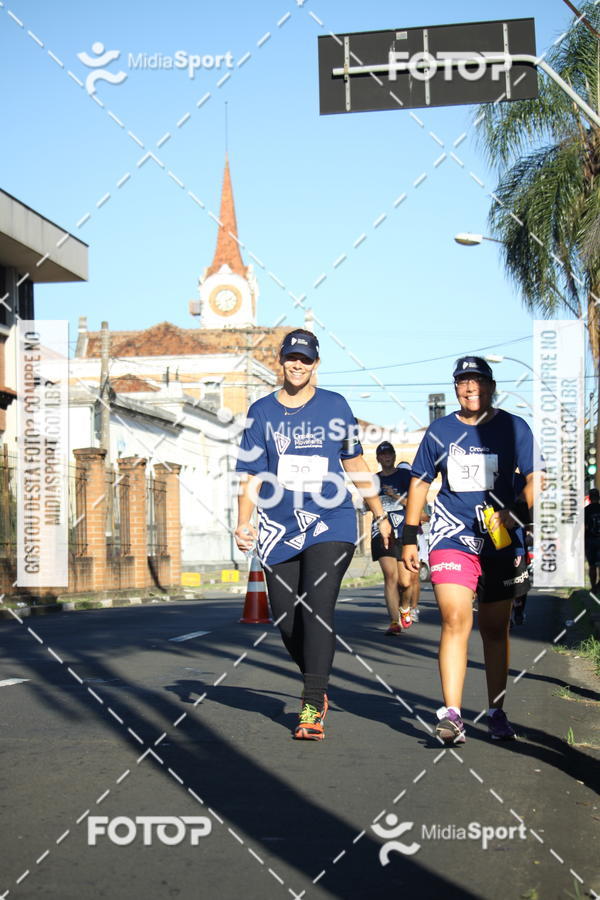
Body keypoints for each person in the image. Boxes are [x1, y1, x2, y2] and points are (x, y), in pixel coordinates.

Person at [234, 328, 392, 741]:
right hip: (278, 527)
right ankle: (316, 680)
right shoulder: (260, 413)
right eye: (291, 357)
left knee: (316, 608)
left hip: (331, 522)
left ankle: (312, 703)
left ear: (316, 364)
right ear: (281, 360)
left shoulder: (334, 406)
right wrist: (243, 520)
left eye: (305, 359)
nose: (298, 364)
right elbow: (251, 475)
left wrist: (379, 514)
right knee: (287, 620)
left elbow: (356, 463)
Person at [402, 356, 538, 744]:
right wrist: (409, 537)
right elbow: (419, 483)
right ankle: (453, 715)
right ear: (455, 387)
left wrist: (515, 513)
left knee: (495, 630)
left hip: (500, 540)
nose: (470, 388)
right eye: (463, 382)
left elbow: (536, 478)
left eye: (477, 381)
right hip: (452, 536)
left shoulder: (514, 428)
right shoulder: (440, 431)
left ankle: (496, 711)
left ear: (492, 386)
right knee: (454, 617)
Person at [370, 443, 416, 634]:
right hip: (381, 532)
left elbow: (414, 503)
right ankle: (393, 621)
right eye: (383, 454)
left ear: (394, 456)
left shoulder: (405, 476)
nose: (386, 456)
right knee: (390, 576)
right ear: (378, 459)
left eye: (389, 453)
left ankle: (405, 607)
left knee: (405, 583)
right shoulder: (373, 480)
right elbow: (366, 504)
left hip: (402, 531)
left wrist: (393, 496)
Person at [584, 488, 600, 592]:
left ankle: (594, 587)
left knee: (592, 565)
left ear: (589, 498)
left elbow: (580, 527)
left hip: (590, 540)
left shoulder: (586, 510)